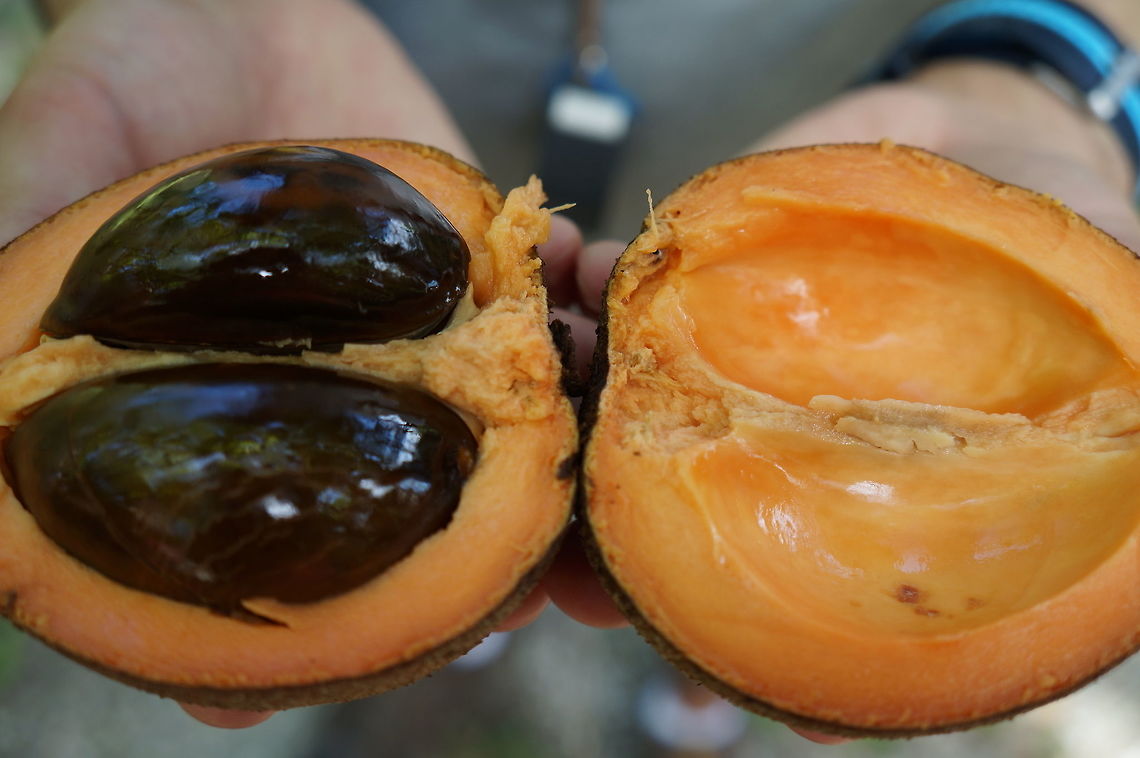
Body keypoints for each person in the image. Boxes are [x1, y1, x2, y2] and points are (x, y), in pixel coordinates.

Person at [1, 0, 1136, 746]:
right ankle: (641, 661)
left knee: (720, 605)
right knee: (686, 586)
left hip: (817, 71)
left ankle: (695, 694)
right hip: (355, 51)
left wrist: (1041, 62)